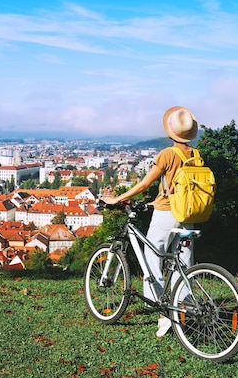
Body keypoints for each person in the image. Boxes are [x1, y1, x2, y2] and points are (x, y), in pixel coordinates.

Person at [101, 105, 198, 338]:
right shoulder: (195, 155)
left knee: (153, 257)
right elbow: (181, 189)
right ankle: (182, 308)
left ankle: (163, 312)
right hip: (190, 214)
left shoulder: (167, 154)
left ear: (170, 131)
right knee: (183, 263)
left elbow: (144, 184)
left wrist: (117, 199)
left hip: (167, 214)